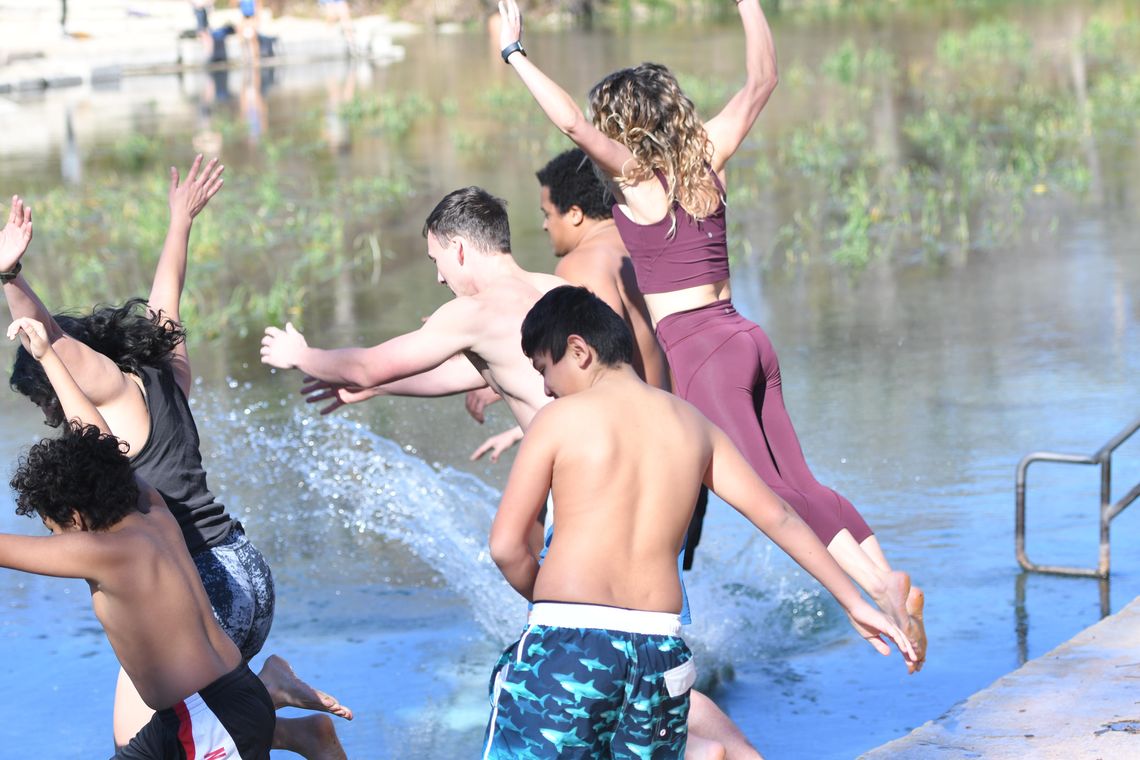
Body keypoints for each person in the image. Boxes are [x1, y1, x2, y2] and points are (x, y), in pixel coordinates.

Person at [497, 0, 926, 672]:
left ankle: (874, 590)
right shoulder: (707, 158)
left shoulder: (637, 184)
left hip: (699, 350)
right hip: (747, 336)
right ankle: (885, 574)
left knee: (773, 495)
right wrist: (749, 5)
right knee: (800, 481)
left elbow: (571, 122)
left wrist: (515, 54)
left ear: (624, 127)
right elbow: (763, 80)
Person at [0, 160, 350, 759]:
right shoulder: (165, 373)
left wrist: (10, 277)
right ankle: (289, 725)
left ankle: (268, 694)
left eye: (45, 401)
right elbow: (167, 299)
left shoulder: (111, 392)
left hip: (203, 587)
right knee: (192, 727)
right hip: (244, 571)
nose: (53, 413)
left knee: (139, 738)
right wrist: (179, 222)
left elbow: (53, 338)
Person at [483, 286, 913, 758]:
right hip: (660, 653)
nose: (546, 388)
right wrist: (853, 601)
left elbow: (506, 547)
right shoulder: (695, 425)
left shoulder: (559, 419)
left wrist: (552, 603)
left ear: (579, 350)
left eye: (544, 369)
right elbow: (780, 516)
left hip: (569, 637)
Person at [3, 316, 275, 760]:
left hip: (206, 721)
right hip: (215, 704)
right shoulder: (153, 509)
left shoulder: (103, 552)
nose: (56, 539)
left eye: (54, 529)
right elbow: (100, 441)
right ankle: (281, 695)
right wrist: (49, 358)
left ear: (75, 516)